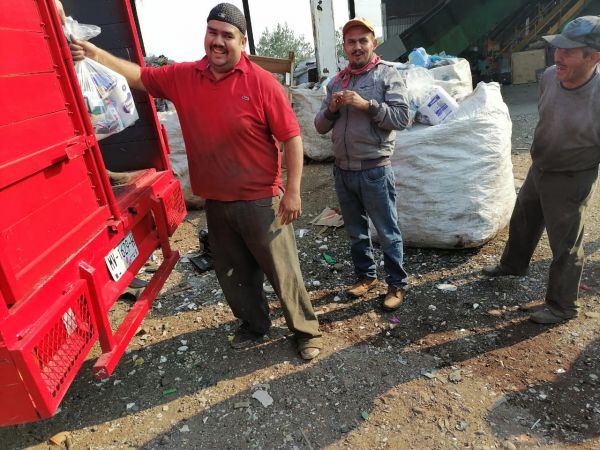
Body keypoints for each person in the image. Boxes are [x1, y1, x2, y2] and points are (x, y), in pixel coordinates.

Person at [69, 3, 323, 359]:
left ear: (242, 41)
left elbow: (292, 138)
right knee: (233, 274)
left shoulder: (262, 83)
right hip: (216, 203)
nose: (218, 42)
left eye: (227, 35)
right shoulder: (186, 77)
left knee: (283, 272)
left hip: (260, 200)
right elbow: (141, 77)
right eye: (212, 33)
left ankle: (305, 330)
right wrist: (93, 52)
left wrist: (292, 190)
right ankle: (254, 324)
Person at [483, 16, 600, 324]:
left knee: (566, 243)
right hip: (541, 165)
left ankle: (562, 306)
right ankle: (512, 265)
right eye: (557, 48)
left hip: (572, 176)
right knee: (524, 217)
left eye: (568, 51)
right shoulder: (549, 76)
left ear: (594, 56)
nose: (557, 56)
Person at [314, 17, 410, 311]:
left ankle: (396, 285)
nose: (356, 47)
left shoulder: (386, 76)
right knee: (356, 232)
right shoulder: (336, 82)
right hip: (343, 171)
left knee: (387, 231)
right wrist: (331, 109)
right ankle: (366, 277)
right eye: (351, 42)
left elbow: (402, 119)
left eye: (362, 41)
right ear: (344, 47)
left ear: (373, 43)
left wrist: (366, 105)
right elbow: (319, 126)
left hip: (374, 170)